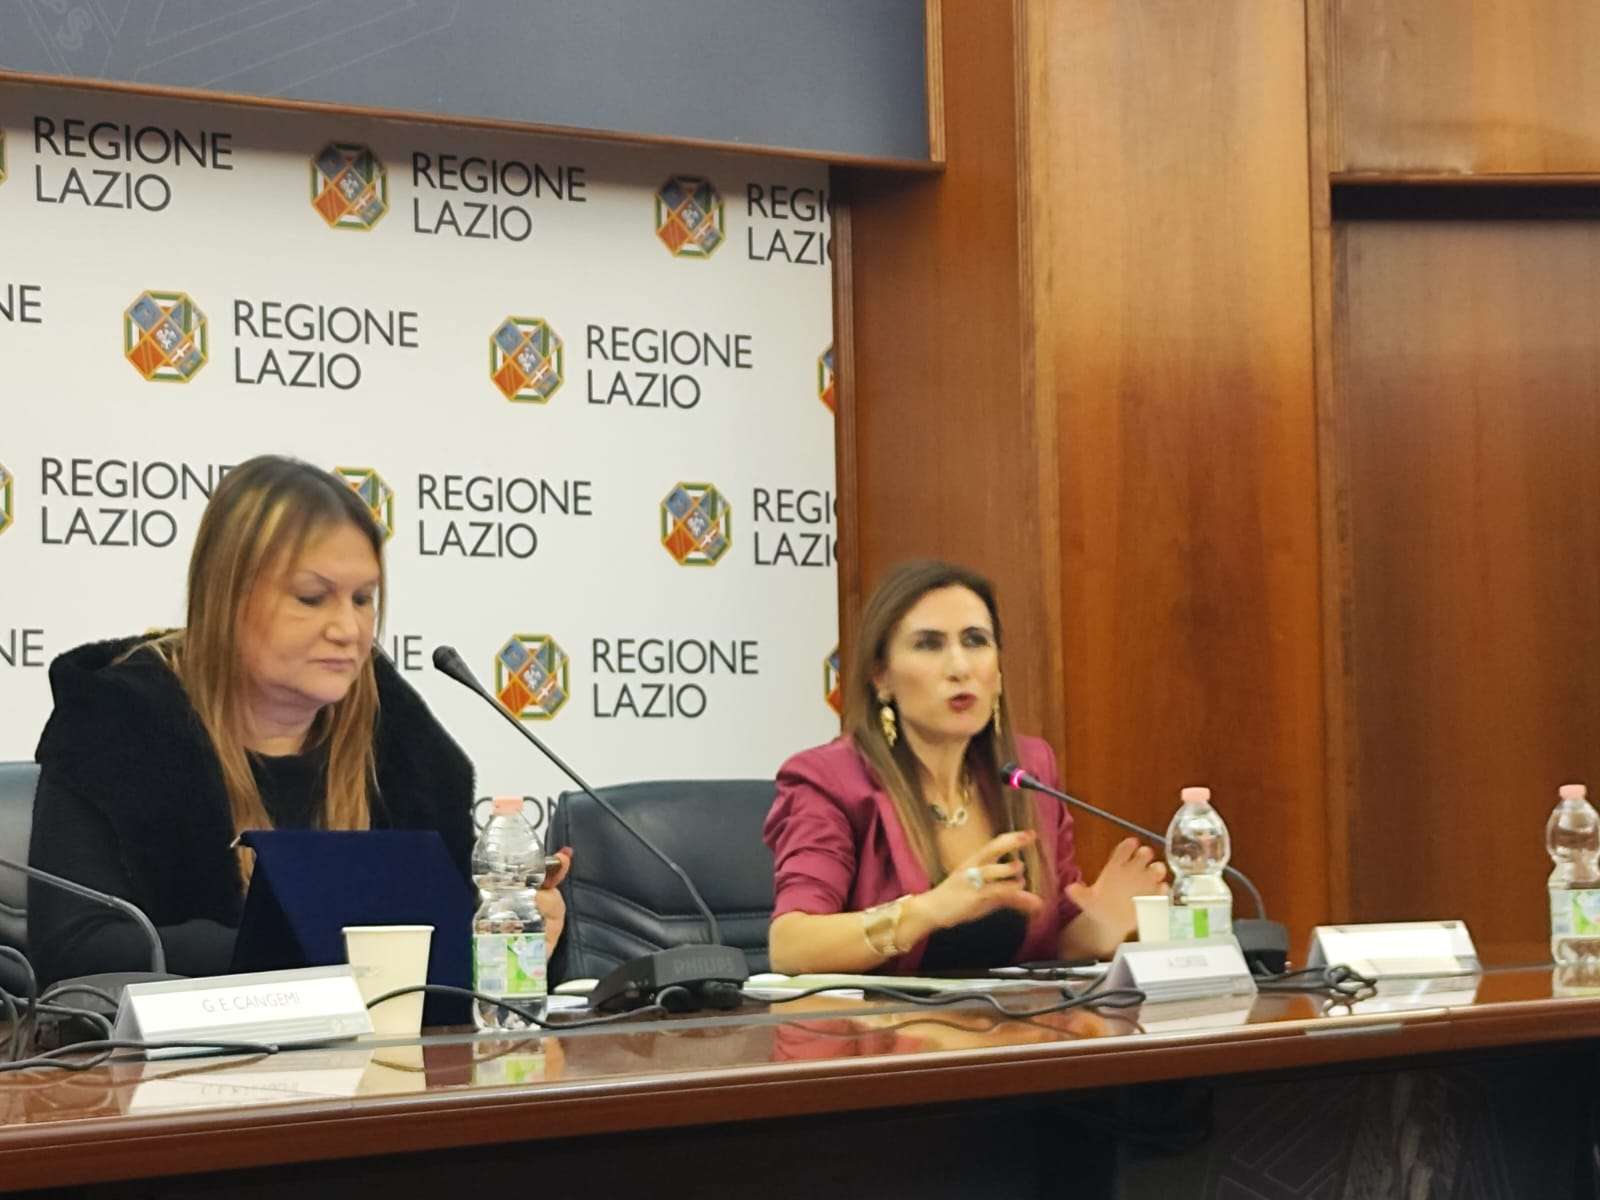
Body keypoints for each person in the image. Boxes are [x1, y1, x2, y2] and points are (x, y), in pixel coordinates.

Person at [28, 455, 569, 986]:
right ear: (226, 597)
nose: (348, 629)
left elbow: (450, 931)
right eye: (312, 598)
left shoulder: (398, 738)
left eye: (363, 599)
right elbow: (78, 947)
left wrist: (511, 928)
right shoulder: (117, 723)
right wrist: (303, 947)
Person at [764, 560, 1165, 974]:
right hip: (878, 1018)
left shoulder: (1027, 772)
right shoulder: (830, 780)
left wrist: (1101, 925)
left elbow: (1047, 946)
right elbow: (791, 947)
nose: (960, 667)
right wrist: (930, 910)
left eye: (976, 641)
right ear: (881, 676)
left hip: (1012, 1016)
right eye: (928, 644)